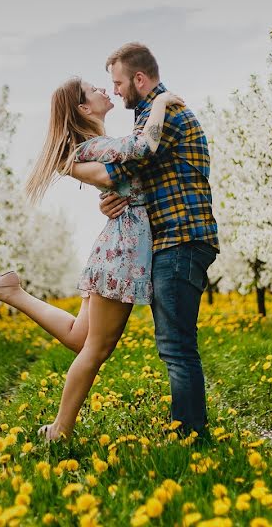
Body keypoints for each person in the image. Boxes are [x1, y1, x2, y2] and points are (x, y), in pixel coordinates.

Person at [0, 76, 181, 441]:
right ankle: (60, 430)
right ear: (83, 108)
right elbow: (145, 147)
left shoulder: (93, 146)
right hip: (122, 251)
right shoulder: (95, 146)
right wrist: (161, 101)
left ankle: (14, 292)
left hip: (115, 246)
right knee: (95, 349)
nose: (102, 89)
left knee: (80, 338)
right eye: (95, 89)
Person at [71, 42, 219, 437]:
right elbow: (133, 176)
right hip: (174, 239)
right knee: (175, 345)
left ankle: (190, 436)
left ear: (139, 79)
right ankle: (189, 432)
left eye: (118, 83)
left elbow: (135, 156)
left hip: (180, 238)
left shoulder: (164, 111)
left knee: (176, 347)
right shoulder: (149, 113)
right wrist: (110, 200)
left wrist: (76, 169)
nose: (114, 90)